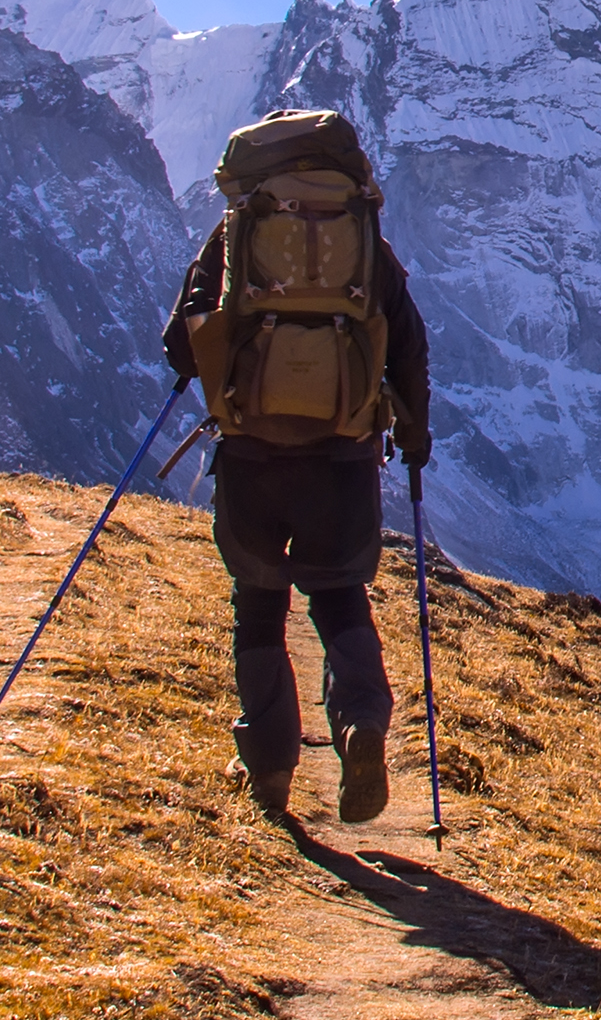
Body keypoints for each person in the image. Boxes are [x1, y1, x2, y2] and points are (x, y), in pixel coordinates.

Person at [162, 107, 431, 824]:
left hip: (252, 451)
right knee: (340, 595)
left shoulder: (236, 234)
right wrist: (415, 434)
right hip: (342, 455)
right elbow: (406, 340)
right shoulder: (365, 240)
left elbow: (180, 341)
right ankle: (361, 725)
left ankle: (272, 767)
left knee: (258, 608)